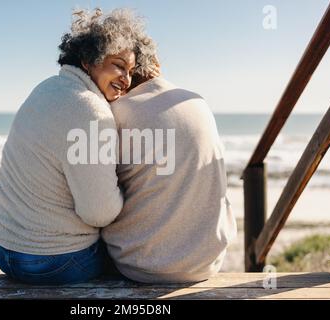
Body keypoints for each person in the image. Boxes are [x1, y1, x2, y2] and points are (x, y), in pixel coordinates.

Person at [0, 8, 157, 285]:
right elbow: (99, 213)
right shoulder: (92, 111)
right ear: (89, 59)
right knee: (137, 259)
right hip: (53, 261)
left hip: (1, 248)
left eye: (130, 71)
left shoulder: (46, 88)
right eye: (118, 65)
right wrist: (127, 187)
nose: (126, 79)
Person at [102, 57, 238, 283]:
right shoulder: (198, 102)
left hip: (140, 266)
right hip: (207, 263)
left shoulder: (116, 112)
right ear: (156, 62)